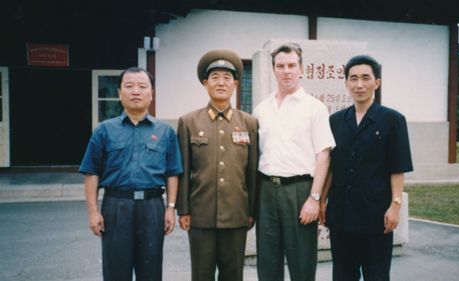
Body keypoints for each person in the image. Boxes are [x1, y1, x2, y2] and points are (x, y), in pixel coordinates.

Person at [79, 67, 183, 281]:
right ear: (119, 93)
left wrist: (170, 208)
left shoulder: (165, 131)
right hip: (116, 206)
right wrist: (92, 211)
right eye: (129, 86)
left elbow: (173, 173)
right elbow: (91, 172)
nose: (136, 91)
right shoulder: (104, 130)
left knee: (151, 271)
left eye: (142, 86)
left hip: (152, 207)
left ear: (151, 93)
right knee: (116, 272)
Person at [320, 55, 413, 281]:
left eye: (365, 78)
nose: (359, 84)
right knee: (342, 274)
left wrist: (395, 205)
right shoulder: (336, 121)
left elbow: (397, 168)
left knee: (377, 275)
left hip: (376, 215)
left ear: (376, 83)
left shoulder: (393, 120)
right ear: (346, 84)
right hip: (341, 214)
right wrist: (322, 200)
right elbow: (331, 166)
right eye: (353, 79)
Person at [253, 43, 335, 281]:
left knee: (301, 262)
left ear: (301, 69)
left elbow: (324, 155)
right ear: (273, 70)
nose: (286, 71)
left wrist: (315, 198)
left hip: (300, 191)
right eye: (280, 66)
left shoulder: (314, 108)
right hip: (266, 190)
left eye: (291, 65)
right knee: (267, 261)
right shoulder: (262, 109)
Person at [176, 49, 259, 281]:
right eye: (215, 77)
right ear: (205, 83)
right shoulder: (189, 122)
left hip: (236, 213)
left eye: (226, 78)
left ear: (235, 84)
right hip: (200, 214)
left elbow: (251, 171)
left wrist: (251, 210)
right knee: (201, 275)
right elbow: (182, 168)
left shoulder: (249, 123)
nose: (221, 83)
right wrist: (183, 209)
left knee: (233, 275)